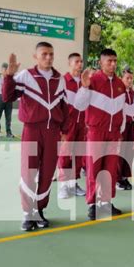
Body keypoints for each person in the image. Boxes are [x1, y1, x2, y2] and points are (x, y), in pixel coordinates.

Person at [2, 42, 69, 231]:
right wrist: (9, 75)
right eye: (44, 54)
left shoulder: (59, 79)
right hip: (31, 130)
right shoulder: (26, 76)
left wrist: (64, 131)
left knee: (47, 173)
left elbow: (64, 108)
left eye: (51, 54)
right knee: (29, 172)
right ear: (35, 56)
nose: (48, 57)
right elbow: (7, 97)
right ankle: (27, 212)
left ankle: (39, 210)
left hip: (53, 132)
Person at [74, 48, 126, 220]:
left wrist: (121, 127)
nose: (112, 64)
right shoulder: (92, 80)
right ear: (101, 62)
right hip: (96, 132)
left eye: (115, 61)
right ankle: (92, 204)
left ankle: (106, 203)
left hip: (114, 133)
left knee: (110, 168)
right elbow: (79, 106)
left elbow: (122, 109)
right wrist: (84, 88)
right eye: (109, 61)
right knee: (94, 168)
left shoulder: (120, 84)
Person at [57, 53, 86, 199]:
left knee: (78, 155)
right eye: (77, 62)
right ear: (70, 63)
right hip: (68, 125)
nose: (80, 64)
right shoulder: (62, 81)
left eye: (81, 61)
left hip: (82, 124)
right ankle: (63, 186)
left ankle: (73, 184)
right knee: (65, 155)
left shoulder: (85, 82)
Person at [117, 68, 134, 191]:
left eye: (131, 78)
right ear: (122, 78)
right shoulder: (119, 93)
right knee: (120, 152)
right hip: (122, 127)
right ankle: (118, 179)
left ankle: (125, 177)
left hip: (132, 126)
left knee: (130, 152)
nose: (129, 81)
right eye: (127, 78)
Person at [0, 63, 15, 138]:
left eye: (7, 69)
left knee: (8, 117)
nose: (6, 71)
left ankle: (9, 133)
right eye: (4, 69)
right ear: (2, 70)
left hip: (9, 99)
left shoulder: (12, 79)